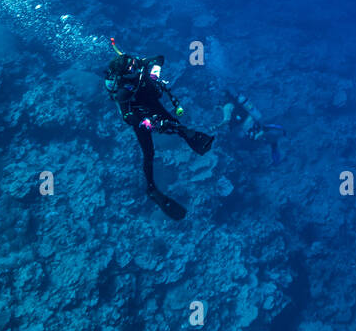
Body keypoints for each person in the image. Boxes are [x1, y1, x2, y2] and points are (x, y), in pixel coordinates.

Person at [105, 40, 214, 221]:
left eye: (133, 63)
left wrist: (154, 72)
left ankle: (190, 137)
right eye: (132, 68)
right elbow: (127, 116)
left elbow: (159, 58)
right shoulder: (123, 91)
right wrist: (146, 123)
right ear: (125, 75)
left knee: (174, 123)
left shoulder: (136, 64)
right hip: (139, 113)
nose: (135, 66)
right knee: (149, 152)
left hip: (151, 101)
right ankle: (151, 188)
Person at [218, 88, 284, 164]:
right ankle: (271, 139)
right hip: (250, 121)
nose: (221, 99)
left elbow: (227, 120)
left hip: (247, 124)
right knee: (257, 135)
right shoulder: (236, 101)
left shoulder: (229, 105)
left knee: (256, 137)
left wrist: (217, 126)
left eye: (222, 97)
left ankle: (271, 137)